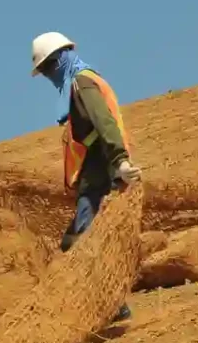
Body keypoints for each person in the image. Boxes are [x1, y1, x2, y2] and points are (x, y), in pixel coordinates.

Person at [30, 31, 142, 322]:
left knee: (82, 240)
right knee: (71, 243)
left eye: (47, 68)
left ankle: (115, 303)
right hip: (92, 178)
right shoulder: (78, 83)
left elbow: (103, 121)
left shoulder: (82, 83)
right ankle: (110, 301)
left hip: (101, 173)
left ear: (59, 60)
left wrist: (119, 161)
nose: (46, 75)